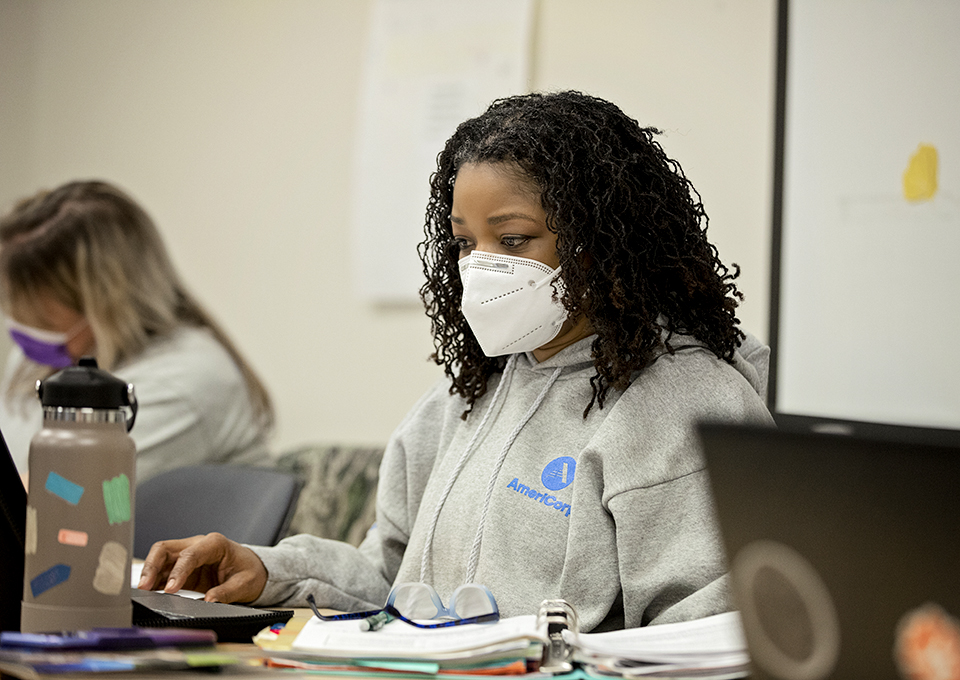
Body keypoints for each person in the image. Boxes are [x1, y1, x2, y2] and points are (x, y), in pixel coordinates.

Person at [139, 91, 773, 631]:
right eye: (465, 242)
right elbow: (388, 577)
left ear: (606, 239)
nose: (479, 266)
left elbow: (708, 634)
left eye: (514, 238)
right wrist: (268, 568)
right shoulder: (462, 400)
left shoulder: (687, 404)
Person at [0, 180, 274, 482]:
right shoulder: (38, 361)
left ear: (105, 302)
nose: (26, 332)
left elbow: (65, 492)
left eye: (45, 321)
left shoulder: (183, 382)